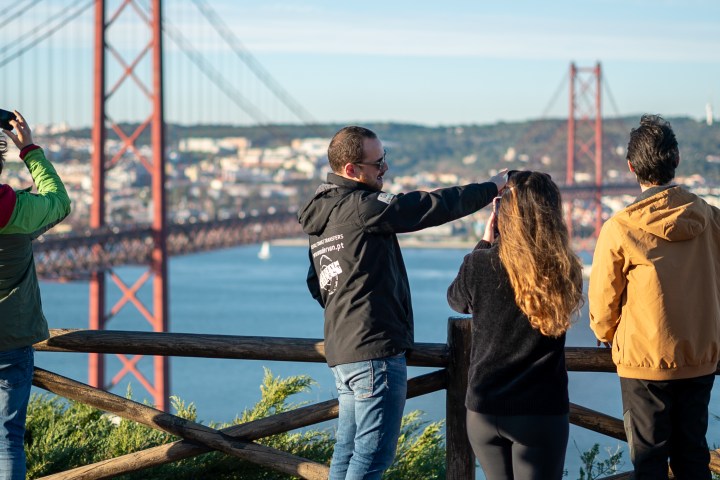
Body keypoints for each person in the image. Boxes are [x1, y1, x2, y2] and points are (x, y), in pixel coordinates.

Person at [298, 125, 505, 479]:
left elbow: (319, 285)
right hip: (375, 352)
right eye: (378, 163)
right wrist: (491, 188)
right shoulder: (361, 207)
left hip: (343, 353)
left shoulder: (323, 219)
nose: (385, 169)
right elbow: (428, 206)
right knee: (372, 457)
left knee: (346, 455)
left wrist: (352, 305)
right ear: (351, 170)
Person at [589, 115, 720, 479]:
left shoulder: (619, 228)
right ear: (676, 159)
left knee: (648, 463)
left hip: (644, 362)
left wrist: (606, 334)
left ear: (631, 167)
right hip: (700, 356)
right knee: (693, 455)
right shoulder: (710, 217)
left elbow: (602, 305)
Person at [447, 171, 583, 480]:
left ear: (501, 215)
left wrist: (484, 242)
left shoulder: (479, 264)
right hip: (539, 409)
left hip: (484, 407)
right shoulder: (563, 269)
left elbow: (457, 301)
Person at [0, 111, 71, 479]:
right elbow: (59, 202)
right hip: (10, 342)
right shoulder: (18, 211)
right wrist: (29, 148)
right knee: (6, 440)